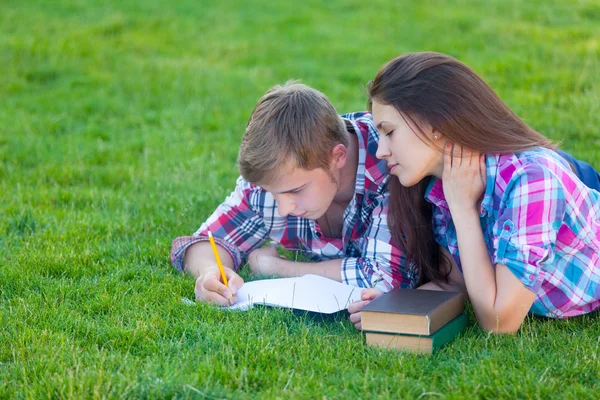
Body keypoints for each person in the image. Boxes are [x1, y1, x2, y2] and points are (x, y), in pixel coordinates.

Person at [349, 52, 600, 333]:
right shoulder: (446, 182)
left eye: (390, 132)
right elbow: (457, 281)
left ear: (434, 125)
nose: (381, 151)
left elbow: (499, 323)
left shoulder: (532, 181)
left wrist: (463, 209)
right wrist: (395, 305)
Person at [170, 82, 419, 306]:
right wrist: (210, 271)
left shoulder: (391, 160)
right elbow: (204, 243)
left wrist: (276, 267)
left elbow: (389, 278)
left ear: (338, 156)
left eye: (296, 190)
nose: (284, 208)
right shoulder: (275, 173)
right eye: (274, 193)